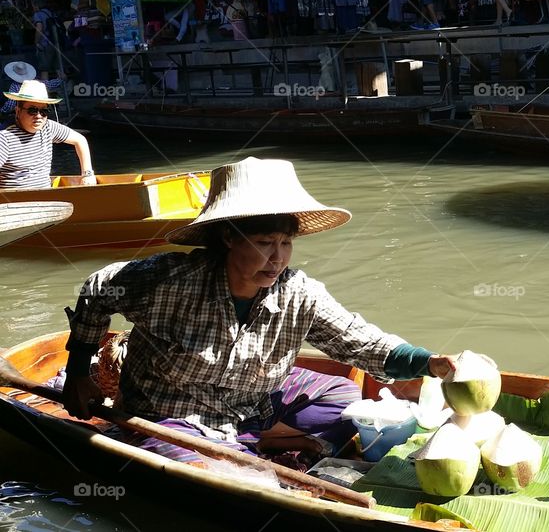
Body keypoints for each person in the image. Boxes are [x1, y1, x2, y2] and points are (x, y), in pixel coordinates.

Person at [61, 157, 458, 465]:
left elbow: (361, 342)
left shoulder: (299, 293)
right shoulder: (170, 280)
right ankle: (243, 449)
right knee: (214, 474)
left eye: (286, 243)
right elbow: (98, 290)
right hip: (168, 415)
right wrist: (78, 372)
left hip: (250, 405)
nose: (278, 258)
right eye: (265, 242)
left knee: (345, 396)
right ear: (228, 237)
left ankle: (254, 439)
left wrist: (432, 363)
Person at [0, 79, 94, 189]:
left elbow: (80, 140)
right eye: (32, 110)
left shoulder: (48, 128)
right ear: (18, 111)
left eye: (44, 111)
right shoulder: (5, 139)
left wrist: (87, 174)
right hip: (15, 199)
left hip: (46, 196)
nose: (38, 116)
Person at [33, 0, 64, 80]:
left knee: (44, 70)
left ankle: (45, 87)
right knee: (59, 69)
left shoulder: (38, 14)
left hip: (45, 45)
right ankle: (63, 86)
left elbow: (39, 27)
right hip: (57, 43)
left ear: (36, 5)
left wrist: (36, 42)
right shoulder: (52, 13)